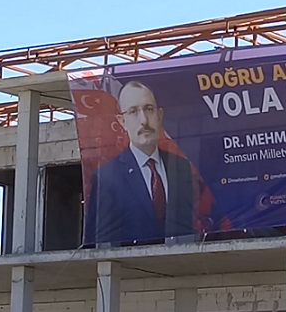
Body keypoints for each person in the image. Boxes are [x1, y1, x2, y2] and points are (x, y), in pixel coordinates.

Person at [83, 80, 205, 245]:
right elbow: (101, 239)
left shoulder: (181, 167)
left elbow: (187, 225)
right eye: (133, 111)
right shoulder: (107, 176)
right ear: (122, 121)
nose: (144, 120)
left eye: (149, 109)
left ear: (159, 115)